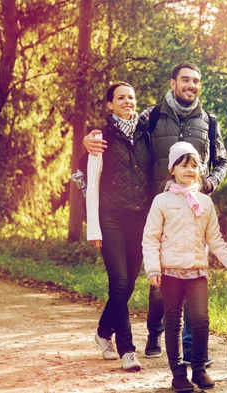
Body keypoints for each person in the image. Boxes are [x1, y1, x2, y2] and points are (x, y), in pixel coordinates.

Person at [83, 62, 227, 362]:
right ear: (173, 83)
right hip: (154, 209)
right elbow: (116, 138)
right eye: (185, 80)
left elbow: (222, 162)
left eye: (196, 81)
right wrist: (87, 141)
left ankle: (190, 349)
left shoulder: (209, 121)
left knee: (192, 272)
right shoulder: (150, 117)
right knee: (153, 278)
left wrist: (208, 186)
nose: (191, 85)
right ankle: (151, 336)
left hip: (191, 210)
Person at [142, 141, 227, 392]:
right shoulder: (162, 201)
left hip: (197, 271)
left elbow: (215, 239)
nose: (190, 170)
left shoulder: (205, 203)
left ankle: (199, 369)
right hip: (169, 272)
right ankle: (178, 373)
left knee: (200, 320)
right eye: (184, 165)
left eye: (195, 165)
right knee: (173, 321)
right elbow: (150, 238)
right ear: (172, 169)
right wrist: (153, 269)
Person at [87, 81, 152, 372]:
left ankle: (103, 331)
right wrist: (94, 229)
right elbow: (88, 182)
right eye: (121, 98)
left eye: (131, 97)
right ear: (110, 104)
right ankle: (127, 350)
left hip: (140, 219)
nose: (128, 101)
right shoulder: (100, 137)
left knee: (128, 286)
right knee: (120, 283)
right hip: (110, 218)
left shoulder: (145, 134)